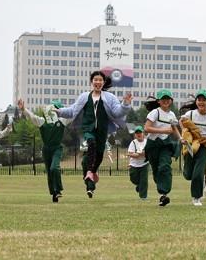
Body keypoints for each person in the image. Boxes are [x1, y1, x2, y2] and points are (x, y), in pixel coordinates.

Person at [56, 70, 132, 198]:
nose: (98, 82)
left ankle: (91, 172)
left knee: (100, 154)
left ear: (103, 82)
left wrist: (125, 104)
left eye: (100, 80)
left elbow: (117, 112)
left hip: (103, 130)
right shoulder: (84, 97)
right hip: (88, 128)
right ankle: (90, 172)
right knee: (91, 143)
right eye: (95, 80)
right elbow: (72, 110)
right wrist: (58, 111)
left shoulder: (109, 97)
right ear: (91, 82)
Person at [18, 99, 72, 203]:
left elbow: (74, 113)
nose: (53, 110)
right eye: (52, 108)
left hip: (57, 148)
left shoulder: (62, 121)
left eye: (56, 108)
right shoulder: (42, 121)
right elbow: (32, 117)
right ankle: (54, 193)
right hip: (46, 149)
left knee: (54, 168)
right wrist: (23, 109)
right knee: (49, 172)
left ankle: (58, 190)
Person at [144, 89, 182, 207]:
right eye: (163, 99)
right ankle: (162, 191)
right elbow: (147, 128)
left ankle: (164, 194)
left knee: (164, 166)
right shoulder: (155, 113)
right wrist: (164, 130)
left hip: (165, 144)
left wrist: (181, 138)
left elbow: (174, 128)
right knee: (156, 170)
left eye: (168, 99)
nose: (165, 101)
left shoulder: (172, 115)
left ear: (171, 101)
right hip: (153, 145)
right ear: (159, 101)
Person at [127, 126, 149, 200]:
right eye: (137, 133)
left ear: (143, 133)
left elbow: (148, 153)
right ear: (135, 135)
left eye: (140, 132)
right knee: (133, 179)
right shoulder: (133, 142)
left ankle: (143, 197)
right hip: (134, 164)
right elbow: (130, 153)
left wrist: (140, 154)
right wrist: (138, 154)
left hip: (144, 164)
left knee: (144, 180)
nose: (138, 134)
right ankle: (139, 186)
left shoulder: (147, 142)